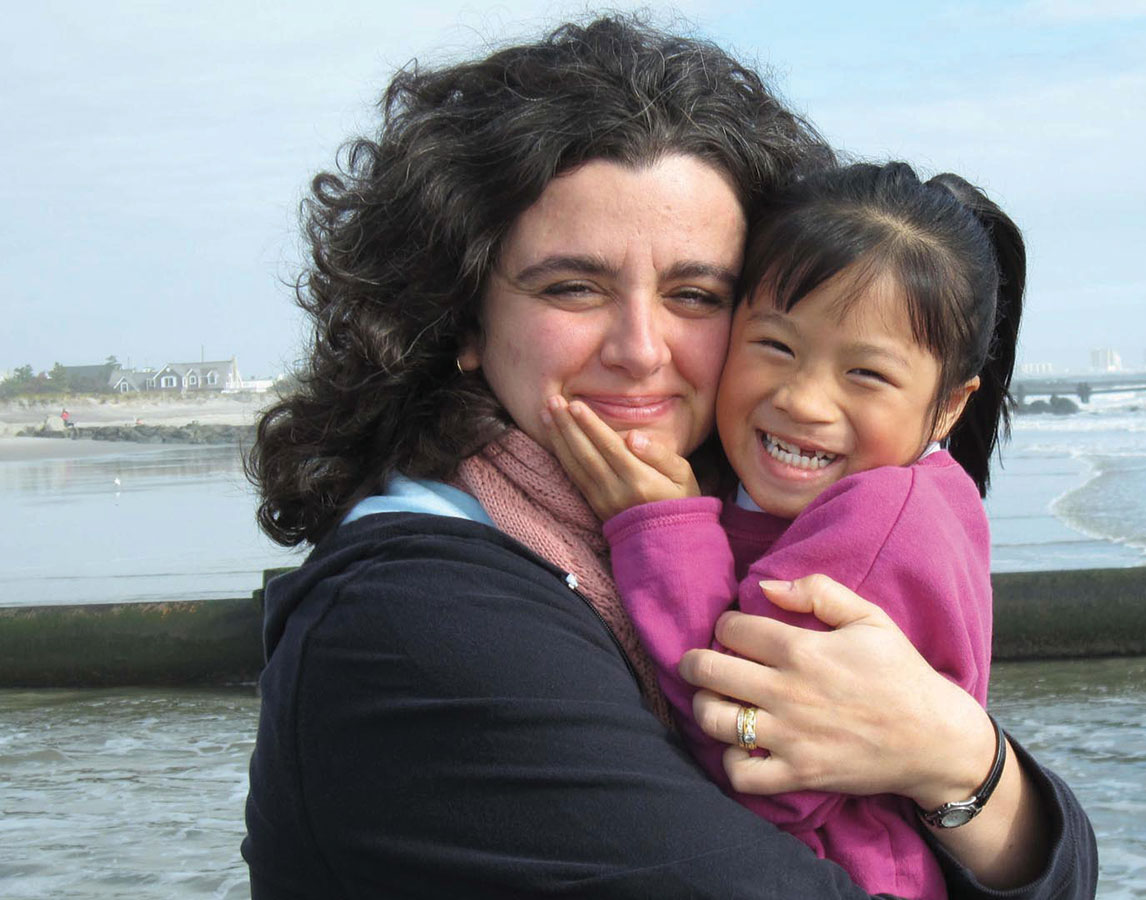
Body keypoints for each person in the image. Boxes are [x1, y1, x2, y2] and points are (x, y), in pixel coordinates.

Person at [242, 15, 1097, 899]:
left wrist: (957, 756)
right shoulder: (413, 621)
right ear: (460, 313)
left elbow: (1061, 875)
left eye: (696, 293)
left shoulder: (762, 527)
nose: (641, 348)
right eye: (573, 287)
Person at [542, 161, 1022, 900]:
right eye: (775, 347)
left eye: (865, 374)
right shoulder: (817, 493)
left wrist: (659, 528)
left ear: (950, 406)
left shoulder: (880, 522)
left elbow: (765, 762)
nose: (803, 399)